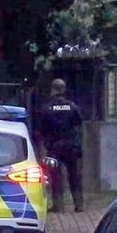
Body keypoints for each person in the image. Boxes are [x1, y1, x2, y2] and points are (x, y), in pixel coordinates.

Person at [38, 78, 84, 212]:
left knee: (56, 176)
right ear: (63, 90)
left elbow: (42, 129)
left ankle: (58, 205)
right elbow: (78, 125)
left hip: (54, 147)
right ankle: (79, 204)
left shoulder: (47, 108)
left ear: (53, 90)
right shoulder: (72, 106)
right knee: (74, 175)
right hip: (71, 145)